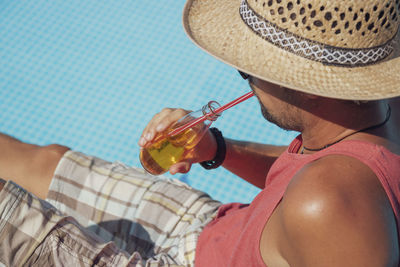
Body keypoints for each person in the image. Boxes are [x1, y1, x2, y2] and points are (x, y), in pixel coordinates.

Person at [1, 0, 400, 266]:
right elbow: (308, 176)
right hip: (214, 232)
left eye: (250, 66)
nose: (244, 77)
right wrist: (217, 149)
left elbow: (327, 200)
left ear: (312, 82)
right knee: (48, 161)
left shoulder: (331, 206)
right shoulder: (373, 117)